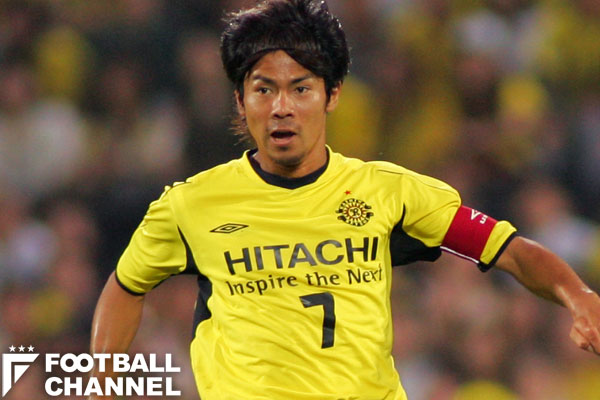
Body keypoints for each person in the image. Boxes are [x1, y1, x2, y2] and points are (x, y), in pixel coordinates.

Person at [88, 1, 600, 399]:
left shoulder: (389, 191)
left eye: (301, 89)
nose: (282, 107)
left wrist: (578, 296)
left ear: (332, 95)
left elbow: (508, 250)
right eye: (263, 90)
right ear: (240, 102)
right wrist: (103, 382)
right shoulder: (192, 204)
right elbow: (127, 284)